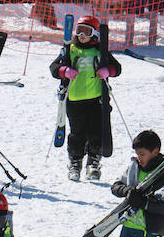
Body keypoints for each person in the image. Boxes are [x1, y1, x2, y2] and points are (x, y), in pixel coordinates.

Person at [49, 14, 120, 182]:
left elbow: (117, 68)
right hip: (75, 99)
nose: (81, 35)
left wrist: (107, 70)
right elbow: (54, 67)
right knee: (77, 133)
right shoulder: (70, 49)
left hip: (97, 100)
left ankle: (93, 163)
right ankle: (75, 162)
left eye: (86, 31)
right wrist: (64, 71)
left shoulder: (100, 50)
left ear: (94, 33)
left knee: (96, 131)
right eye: (79, 30)